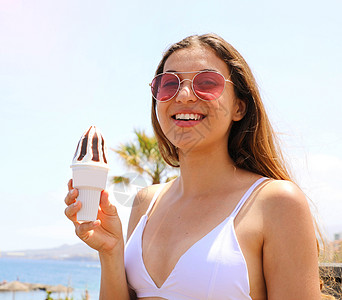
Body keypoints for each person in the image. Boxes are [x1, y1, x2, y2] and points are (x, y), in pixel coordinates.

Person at [64, 34, 321, 299]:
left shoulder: (276, 201)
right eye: (169, 85)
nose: (184, 95)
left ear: (239, 107)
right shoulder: (145, 202)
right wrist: (110, 252)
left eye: (207, 83)